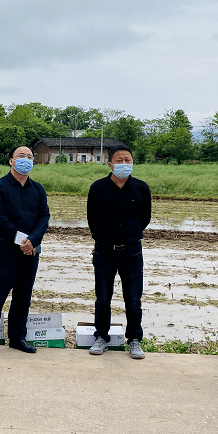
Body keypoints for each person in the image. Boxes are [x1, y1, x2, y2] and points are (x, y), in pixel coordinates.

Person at [0, 146, 49, 356]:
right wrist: (22, 241)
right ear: (11, 161)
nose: (26, 160)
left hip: (31, 251)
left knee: (23, 296)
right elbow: (1, 220)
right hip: (7, 250)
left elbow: (44, 218)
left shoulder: (38, 189)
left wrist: (32, 241)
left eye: (30, 157)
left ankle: (17, 337)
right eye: (21, 156)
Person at [86, 144, 151, 359]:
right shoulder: (98, 188)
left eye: (128, 160)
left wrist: (129, 235)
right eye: (120, 161)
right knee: (103, 298)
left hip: (132, 252)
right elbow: (92, 219)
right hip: (104, 251)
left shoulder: (141, 188)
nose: (124, 164)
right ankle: (101, 337)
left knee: (133, 299)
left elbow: (145, 219)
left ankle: (134, 339)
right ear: (110, 164)